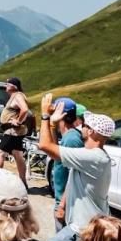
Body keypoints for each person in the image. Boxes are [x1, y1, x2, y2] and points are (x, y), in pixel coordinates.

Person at [35, 93, 115, 241]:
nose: (82, 126)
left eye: (86, 125)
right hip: (89, 228)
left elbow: (44, 145)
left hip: (80, 229)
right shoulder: (92, 155)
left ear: (94, 133)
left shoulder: (93, 157)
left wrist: (44, 116)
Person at [48, 97, 84, 233]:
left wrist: (62, 206)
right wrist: (52, 127)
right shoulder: (67, 136)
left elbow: (74, 176)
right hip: (62, 199)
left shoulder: (72, 139)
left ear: (61, 114)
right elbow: (54, 152)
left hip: (68, 204)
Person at [0, 77, 31, 180]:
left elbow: (25, 109)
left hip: (13, 131)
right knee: (18, 154)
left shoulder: (18, 96)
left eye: (7, 84)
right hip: (14, 131)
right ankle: (23, 181)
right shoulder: (15, 96)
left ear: (13, 86)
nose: (5, 86)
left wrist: (18, 121)